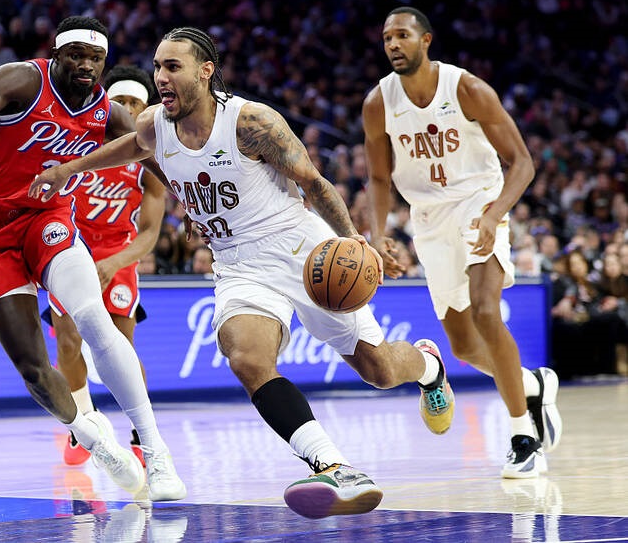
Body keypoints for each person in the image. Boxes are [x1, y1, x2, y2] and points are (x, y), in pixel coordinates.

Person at [30, 26, 455, 519]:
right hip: (237, 263)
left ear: (205, 71)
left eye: (173, 67)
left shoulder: (251, 122)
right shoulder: (154, 123)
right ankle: (334, 467)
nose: (160, 76)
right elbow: (131, 148)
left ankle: (429, 367)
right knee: (246, 358)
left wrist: (354, 240)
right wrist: (69, 169)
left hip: (300, 248)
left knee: (378, 370)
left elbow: (314, 183)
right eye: (157, 66)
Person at [0, 16, 184, 502]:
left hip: (46, 219)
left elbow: (153, 157)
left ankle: (155, 450)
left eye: (96, 58)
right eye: (77, 56)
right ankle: (92, 437)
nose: (87, 65)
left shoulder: (108, 112)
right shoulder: (22, 80)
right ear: (56, 56)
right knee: (33, 367)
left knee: (93, 318)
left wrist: (193, 201)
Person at [361, 7, 562, 479]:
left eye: (402, 35)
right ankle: (532, 384)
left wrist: (494, 213)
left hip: (478, 201)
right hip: (429, 219)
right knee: (465, 348)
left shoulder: (467, 88)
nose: (393, 44)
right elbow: (378, 177)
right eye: (387, 38)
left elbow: (522, 163)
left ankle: (523, 437)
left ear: (426, 40)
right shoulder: (378, 102)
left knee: (487, 312)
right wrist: (379, 234)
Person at [43, 65, 168, 468]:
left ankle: (141, 433)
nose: (128, 108)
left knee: (121, 348)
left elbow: (149, 234)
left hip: (119, 255)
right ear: (106, 104)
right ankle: (84, 423)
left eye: (135, 102)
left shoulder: (149, 161)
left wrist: (115, 262)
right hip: (70, 248)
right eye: (120, 101)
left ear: (144, 109)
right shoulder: (78, 145)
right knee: (67, 342)